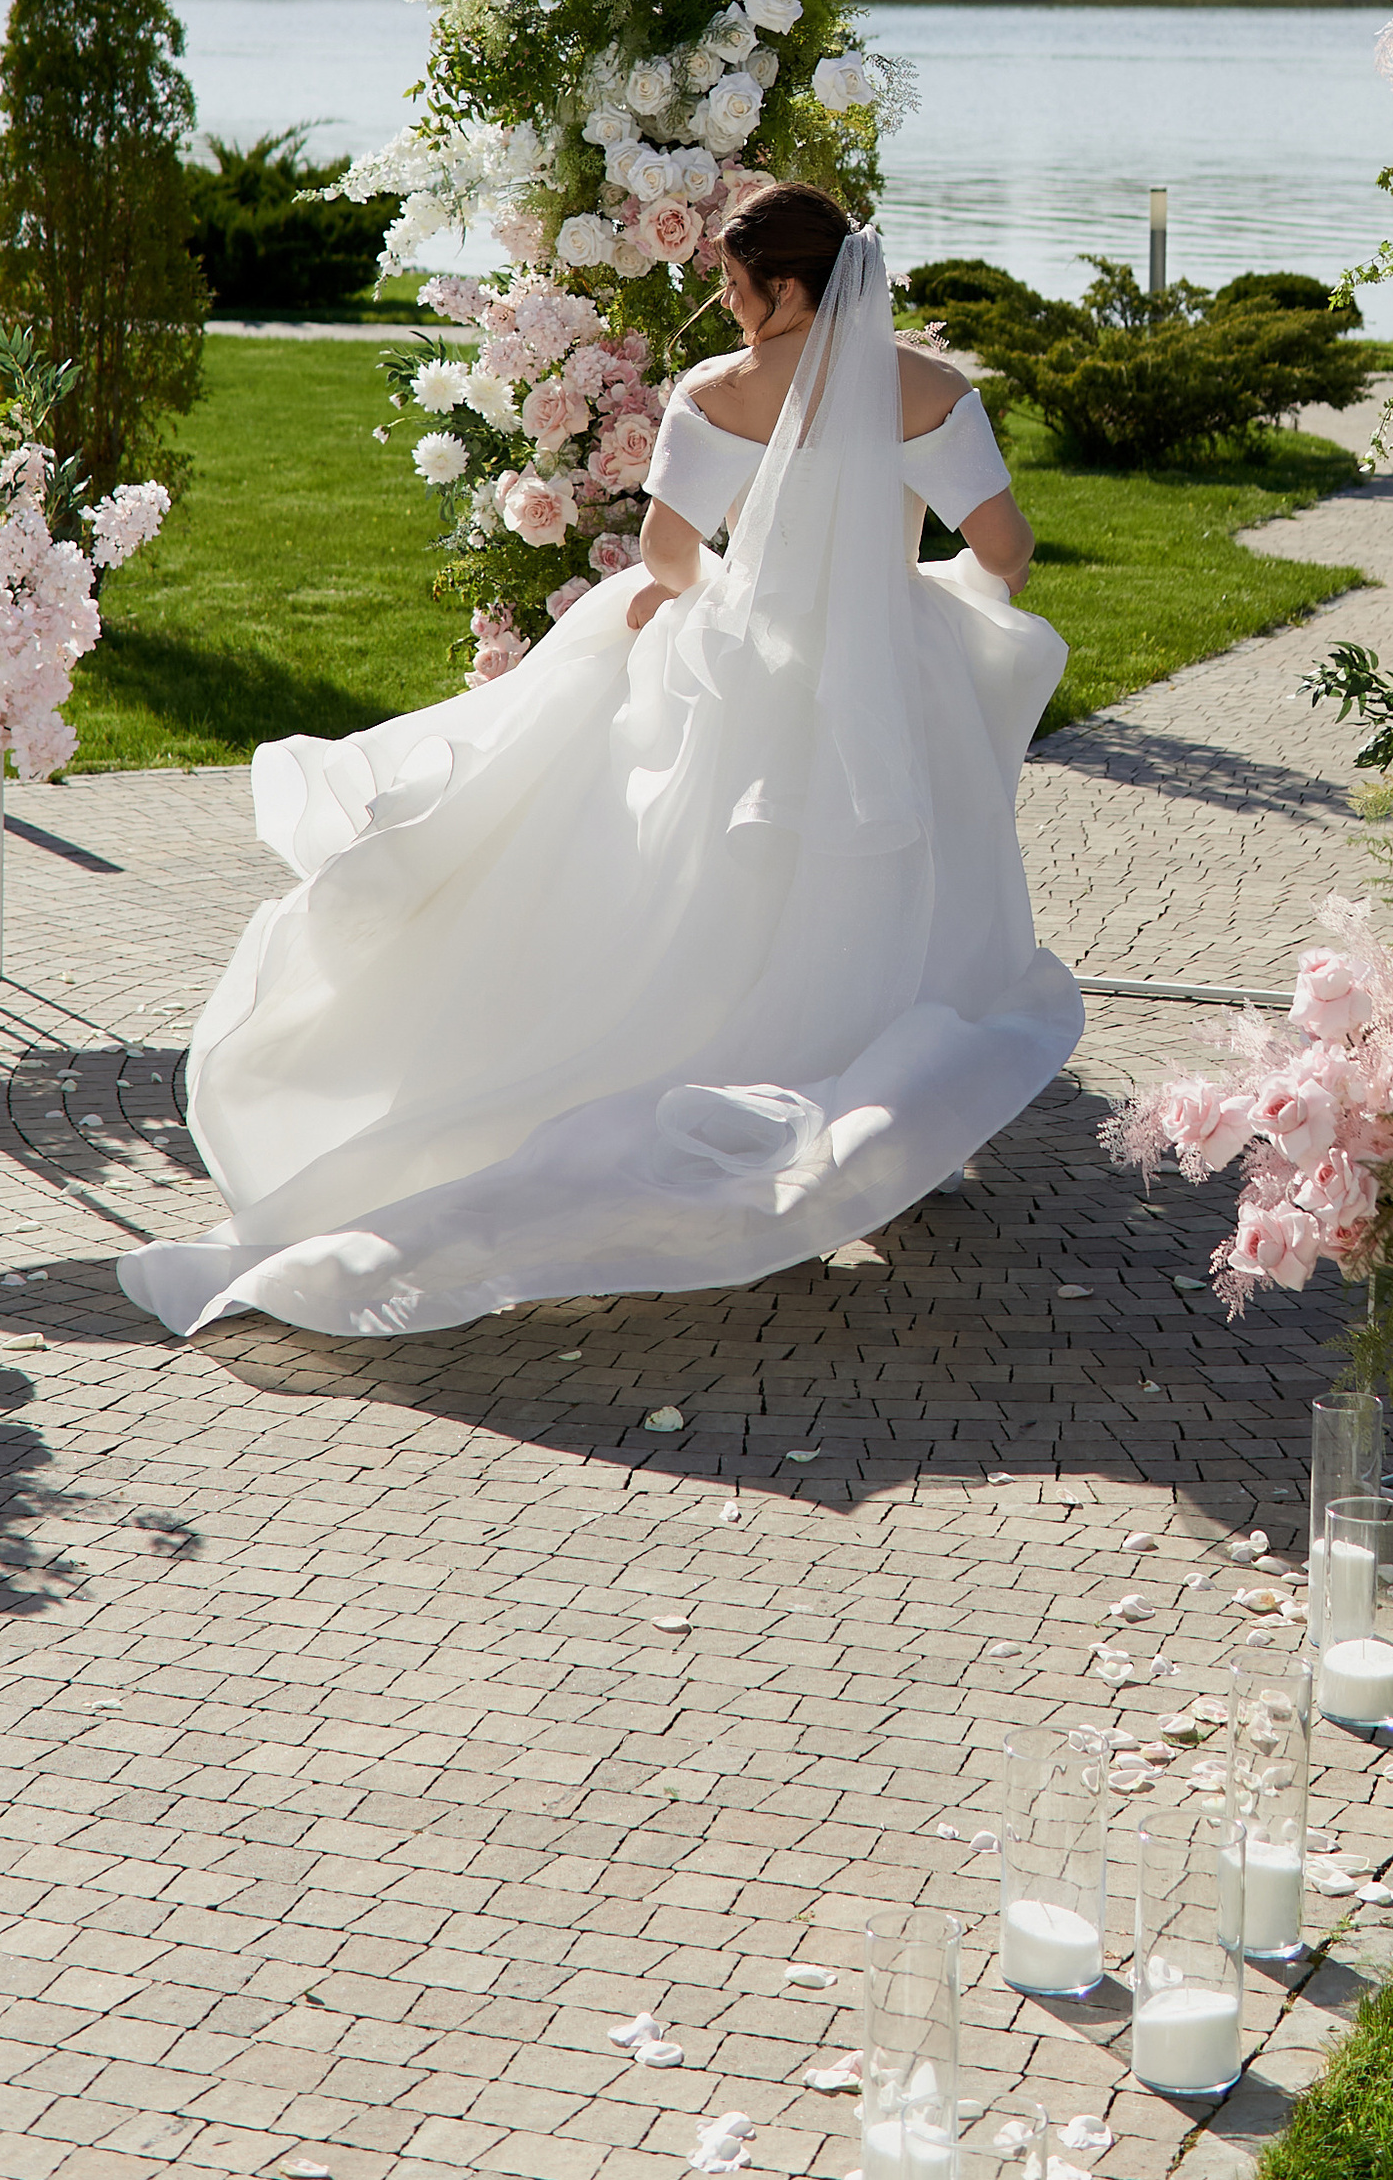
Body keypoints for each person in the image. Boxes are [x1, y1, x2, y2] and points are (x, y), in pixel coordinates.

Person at [117, 182, 1083, 1342]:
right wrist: (909, 608)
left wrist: (755, 608)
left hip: (745, 680)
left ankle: (730, 1075)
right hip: (890, 689)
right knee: (877, 883)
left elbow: (672, 558)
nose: (723, 308)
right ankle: (854, 1098)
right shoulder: (931, 388)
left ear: (786, 286)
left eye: (733, 285)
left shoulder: (719, 394)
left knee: (699, 884)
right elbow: (1007, 550)